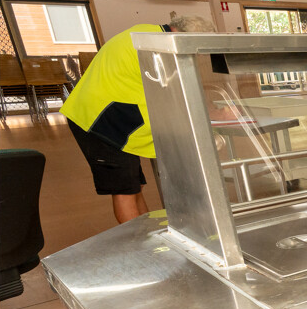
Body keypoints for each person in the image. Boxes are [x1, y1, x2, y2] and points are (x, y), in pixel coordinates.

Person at [61, 13, 215, 223]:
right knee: (124, 189)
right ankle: (138, 243)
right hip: (100, 121)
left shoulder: (148, 33)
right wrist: (210, 115)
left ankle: (148, 233)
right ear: (185, 36)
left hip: (113, 116)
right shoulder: (156, 47)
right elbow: (173, 95)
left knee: (134, 185)